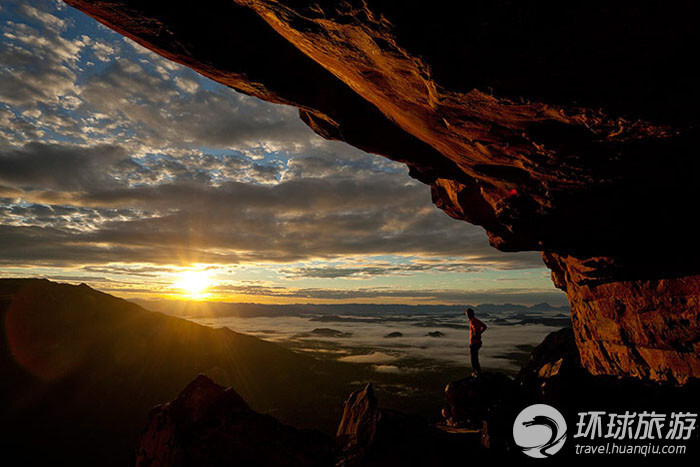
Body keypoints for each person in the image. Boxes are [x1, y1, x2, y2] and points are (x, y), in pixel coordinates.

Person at [466, 308, 487, 377]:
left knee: (473, 359)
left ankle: (476, 373)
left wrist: (476, 334)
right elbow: (484, 326)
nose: (467, 316)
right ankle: (478, 372)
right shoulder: (476, 320)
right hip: (478, 342)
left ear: (469, 314)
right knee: (475, 358)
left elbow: (475, 328)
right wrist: (480, 333)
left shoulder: (472, 321)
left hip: (474, 342)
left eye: (467, 314)